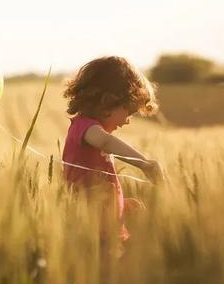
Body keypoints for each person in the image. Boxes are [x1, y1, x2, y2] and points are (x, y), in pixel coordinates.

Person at [61, 56, 165, 260]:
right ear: (108, 101)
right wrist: (144, 164)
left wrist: (121, 205)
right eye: (129, 112)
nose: (127, 121)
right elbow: (106, 142)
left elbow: (99, 189)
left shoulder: (89, 130)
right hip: (92, 234)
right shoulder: (85, 128)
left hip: (106, 230)